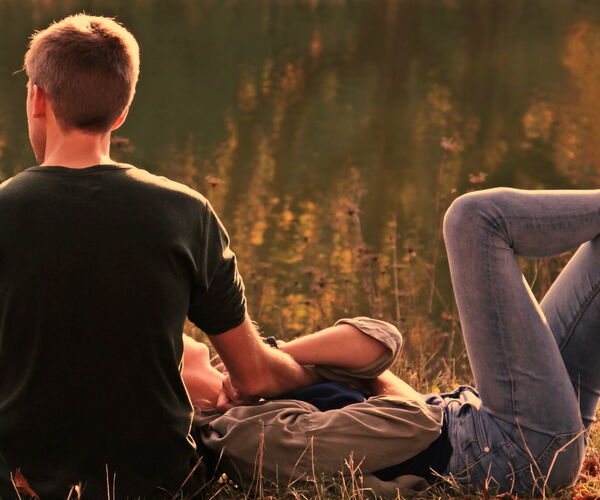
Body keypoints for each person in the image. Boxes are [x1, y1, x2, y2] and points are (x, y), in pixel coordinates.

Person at [0, 14, 319, 499]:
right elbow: (254, 376)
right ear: (122, 112)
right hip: (163, 485)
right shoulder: (186, 212)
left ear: (37, 98)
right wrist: (309, 373)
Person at [185, 188, 599, 497]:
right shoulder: (241, 437)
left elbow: (379, 340)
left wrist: (266, 364)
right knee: (475, 219)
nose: (174, 332)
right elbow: (415, 422)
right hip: (510, 454)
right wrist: (316, 376)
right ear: (167, 384)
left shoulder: (241, 373)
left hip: (500, 424)